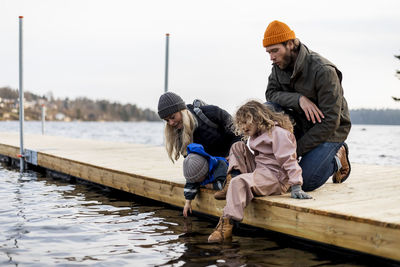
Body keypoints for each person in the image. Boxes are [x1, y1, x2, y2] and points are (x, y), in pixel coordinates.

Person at [263, 20, 352, 191]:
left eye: (275, 50)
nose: (271, 57)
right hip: (301, 124)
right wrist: (299, 99)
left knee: (306, 181)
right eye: (268, 52)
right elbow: (271, 94)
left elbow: (331, 122)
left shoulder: (323, 70)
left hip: (330, 131)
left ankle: (338, 157)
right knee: (268, 108)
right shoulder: (278, 66)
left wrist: (295, 150)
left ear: (290, 44)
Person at [208, 100, 311, 243]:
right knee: (237, 146)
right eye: (240, 124)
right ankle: (231, 182)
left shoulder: (278, 134)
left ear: (257, 118)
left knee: (240, 182)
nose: (243, 127)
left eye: (246, 122)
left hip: (275, 177)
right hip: (261, 170)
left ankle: (227, 224)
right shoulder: (256, 135)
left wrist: (296, 185)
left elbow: (289, 160)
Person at [157, 91, 242, 162]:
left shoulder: (211, 112)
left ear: (182, 111)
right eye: (167, 120)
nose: (171, 123)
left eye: (172, 117)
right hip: (211, 166)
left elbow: (239, 132)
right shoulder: (178, 134)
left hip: (232, 159)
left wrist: (232, 154)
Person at [182, 143, 228, 217]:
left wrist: (212, 186)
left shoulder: (220, 168)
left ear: (204, 172)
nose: (195, 181)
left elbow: (226, 184)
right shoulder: (196, 175)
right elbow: (190, 184)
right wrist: (188, 202)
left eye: (197, 179)